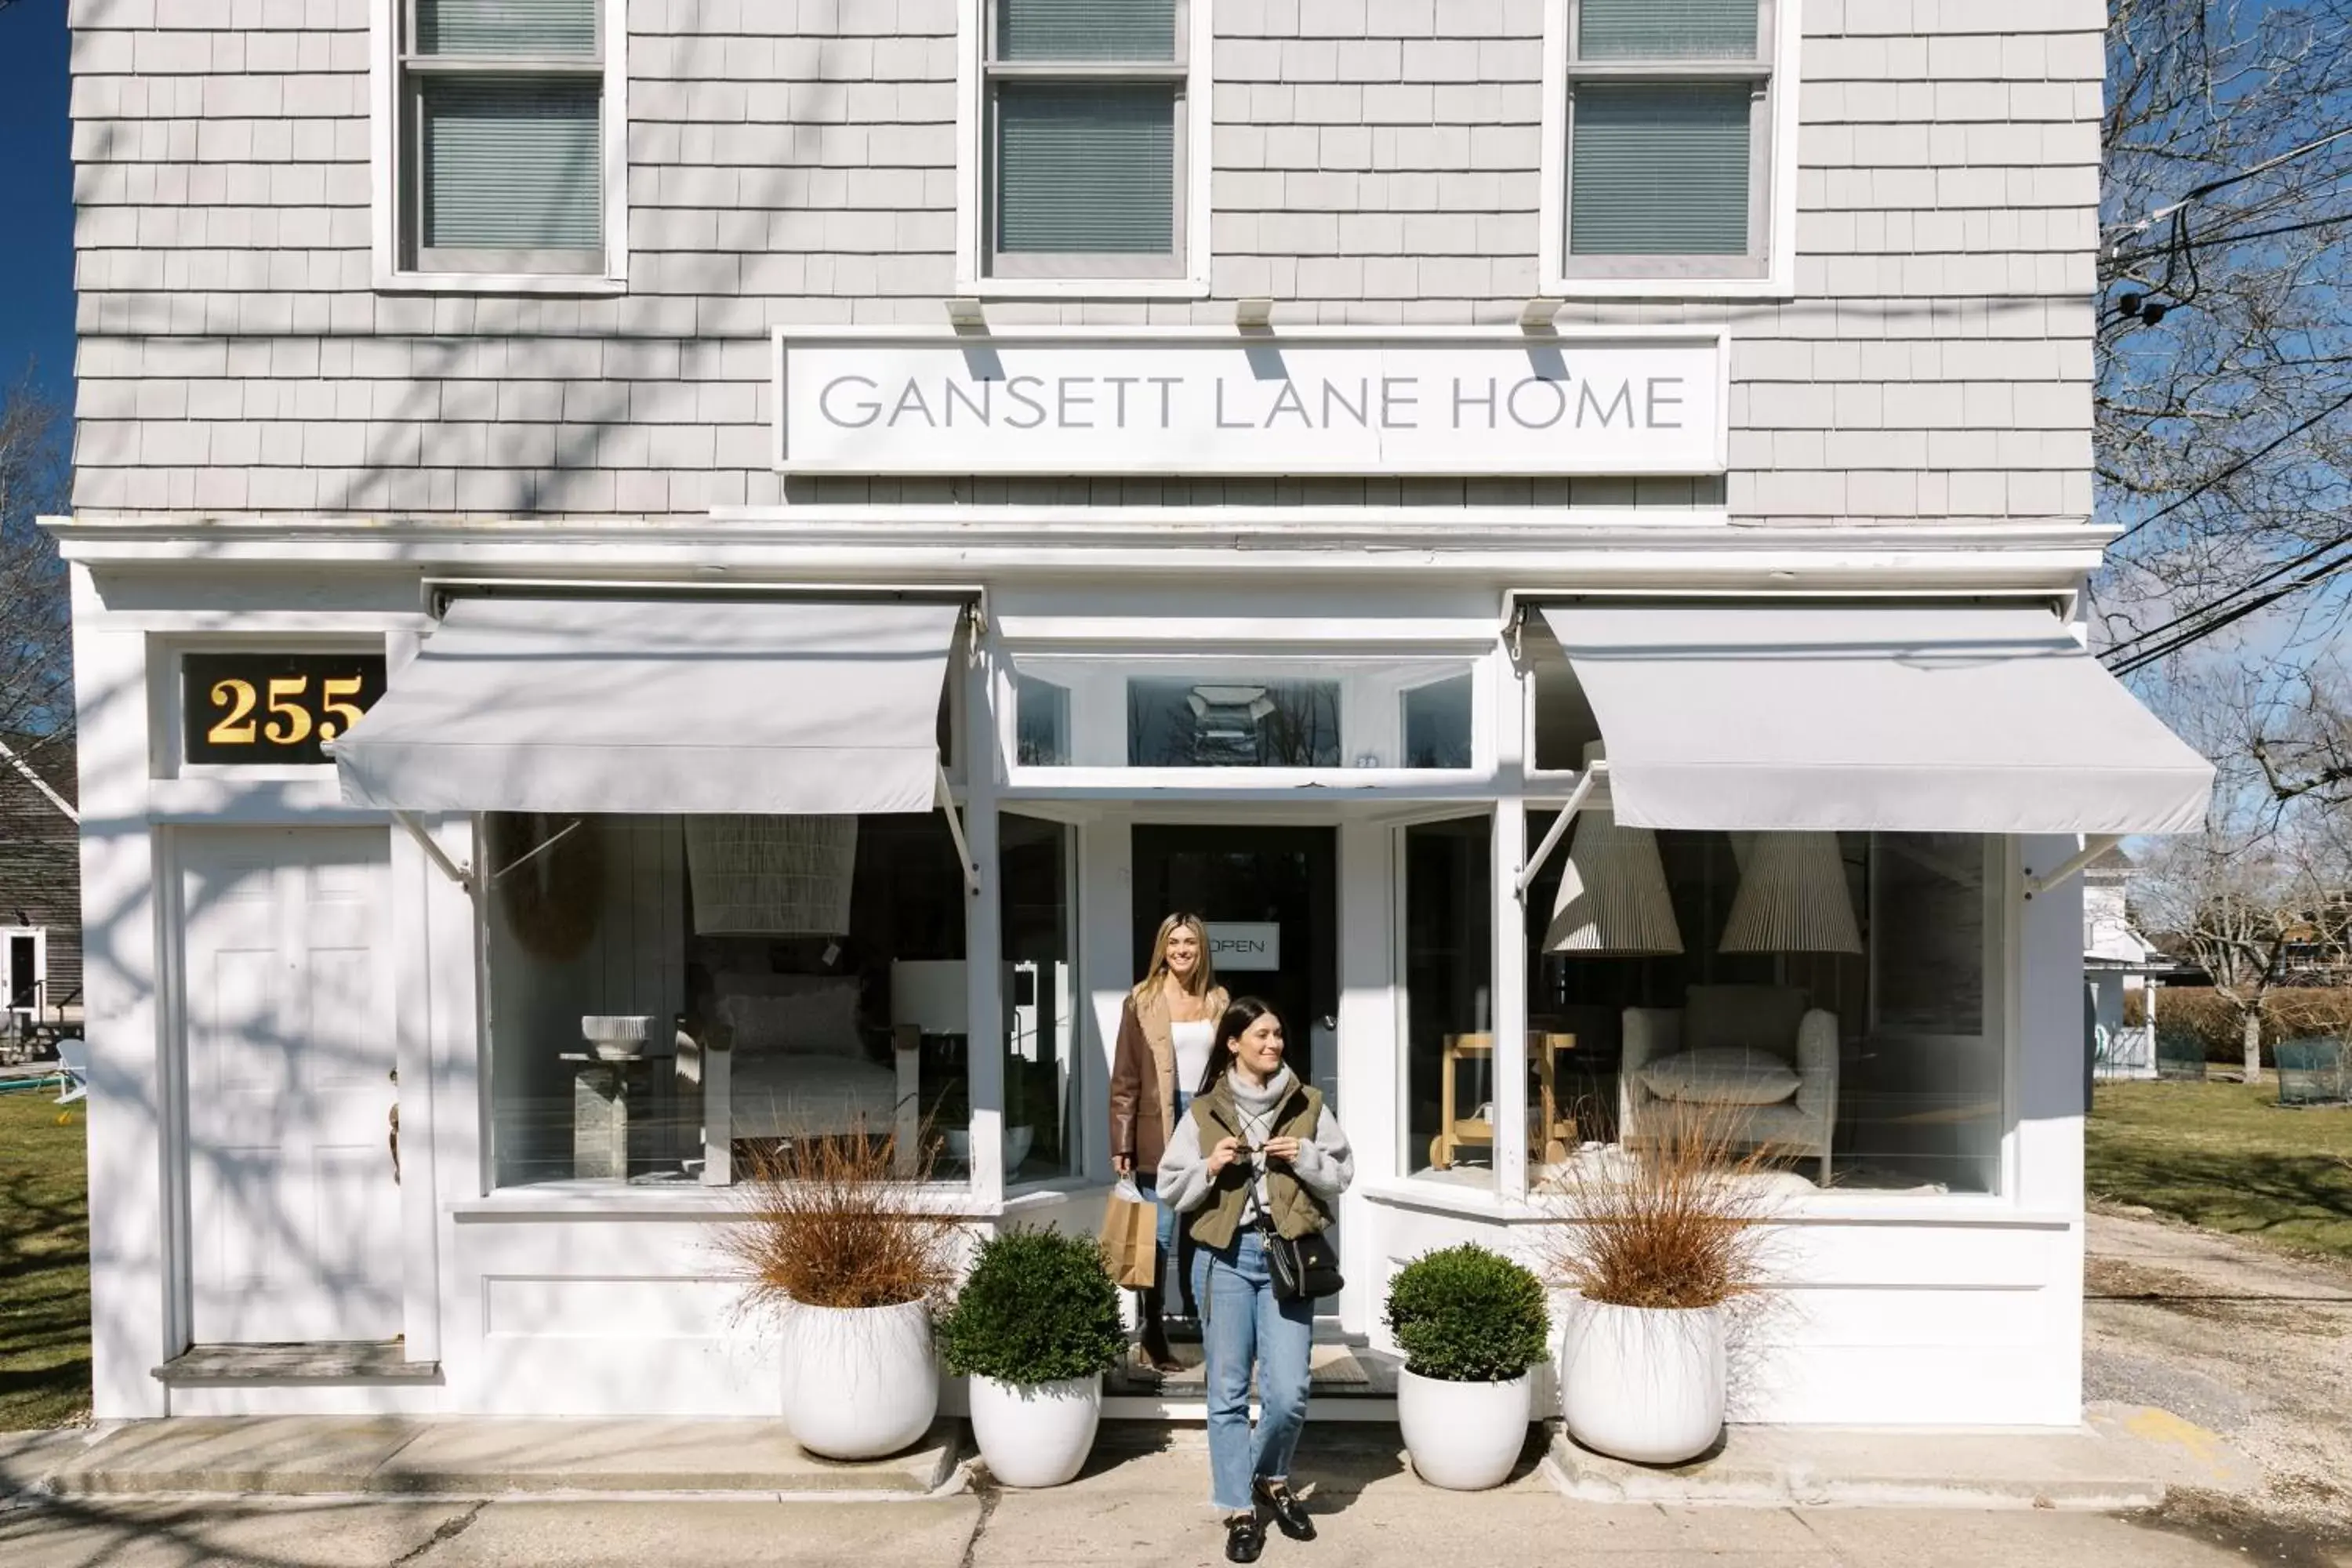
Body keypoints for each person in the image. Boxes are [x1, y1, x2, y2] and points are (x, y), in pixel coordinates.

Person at [1156, 997, 1355, 1563]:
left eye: (1278, 1035)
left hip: (1287, 1260)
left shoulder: (1308, 1103)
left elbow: (1342, 1172)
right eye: (1262, 1035)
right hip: (1223, 1260)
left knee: (1289, 1393)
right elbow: (1172, 1189)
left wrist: (1308, 1155)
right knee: (1226, 1393)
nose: (1274, 1044)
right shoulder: (1203, 1113)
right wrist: (1211, 1166)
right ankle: (1240, 1508)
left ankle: (1269, 1475)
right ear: (1233, 1043)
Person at [1109, 912, 1228, 1373]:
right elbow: (1124, 1078)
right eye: (1174, 942)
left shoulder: (1218, 1001)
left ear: (1202, 950)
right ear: (1163, 947)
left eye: (1191, 943)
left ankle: (1205, 1325)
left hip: (1207, 1124)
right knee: (1157, 1238)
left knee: (1203, 1233)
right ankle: (1153, 1330)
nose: (1182, 950)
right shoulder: (1142, 999)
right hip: (1156, 1126)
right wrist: (1122, 1142)